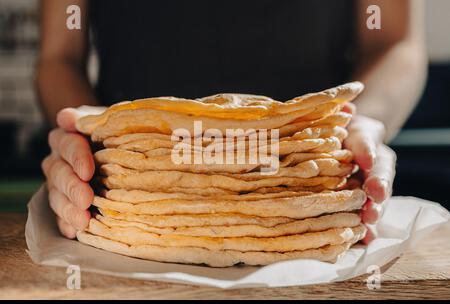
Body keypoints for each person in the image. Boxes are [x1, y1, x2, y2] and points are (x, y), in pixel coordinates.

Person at [37, 0, 427, 242]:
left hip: (305, 179)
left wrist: (360, 124)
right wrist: (85, 137)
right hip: (130, 183)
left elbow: (393, 42)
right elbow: (59, 57)